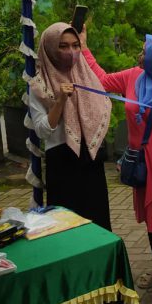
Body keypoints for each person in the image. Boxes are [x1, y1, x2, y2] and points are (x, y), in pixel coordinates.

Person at [84, 33, 152, 288]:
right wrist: (84, 48)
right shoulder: (133, 76)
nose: (141, 54)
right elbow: (102, 80)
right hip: (141, 162)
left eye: (146, 50)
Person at [28, 23, 112, 230]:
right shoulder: (40, 85)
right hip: (62, 162)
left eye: (75, 46)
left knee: (97, 223)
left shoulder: (87, 77)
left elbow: (102, 108)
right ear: (49, 49)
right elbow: (41, 130)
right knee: (68, 225)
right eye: (63, 46)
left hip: (90, 159)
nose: (71, 52)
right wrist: (60, 102)